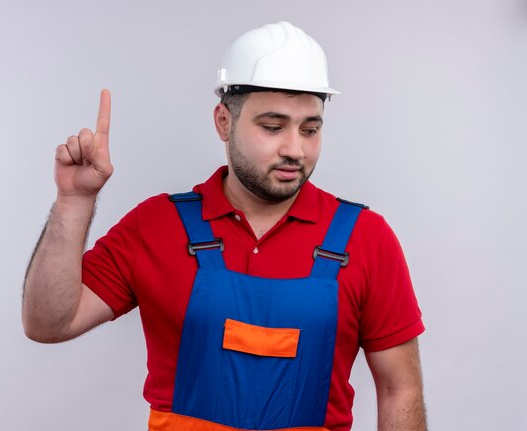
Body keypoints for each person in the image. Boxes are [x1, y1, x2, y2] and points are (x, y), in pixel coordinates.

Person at [23, 21, 426, 431]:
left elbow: (400, 392)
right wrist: (73, 202)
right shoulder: (157, 225)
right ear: (223, 122)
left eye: (311, 129)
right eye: (272, 127)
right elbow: (48, 323)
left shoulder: (366, 238)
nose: (294, 149)